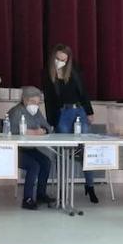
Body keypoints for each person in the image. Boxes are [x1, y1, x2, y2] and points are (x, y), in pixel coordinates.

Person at [44, 44, 100, 204]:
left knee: (85, 149)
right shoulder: (48, 74)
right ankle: (62, 189)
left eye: (63, 59)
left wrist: (89, 112)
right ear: (53, 58)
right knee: (62, 152)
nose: (60, 62)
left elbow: (83, 93)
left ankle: (90, 186)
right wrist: (52, 122)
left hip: (79, 112)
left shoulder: (74, 71)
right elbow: (49, 100)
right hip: (62, 114)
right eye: (58, 59)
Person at [7, 86, 56, 210]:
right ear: (24, 100)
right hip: (14, 150)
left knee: (46, 162)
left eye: (38, 103)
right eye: (33, 102)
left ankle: (41, 194)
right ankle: (27, 199)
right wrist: (34, 132)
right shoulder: (16, 112)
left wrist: (42, 131)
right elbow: (11, 132)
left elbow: (47, 127)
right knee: (34, 165)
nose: (36, 105)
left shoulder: (37, 112)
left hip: (29, 148)